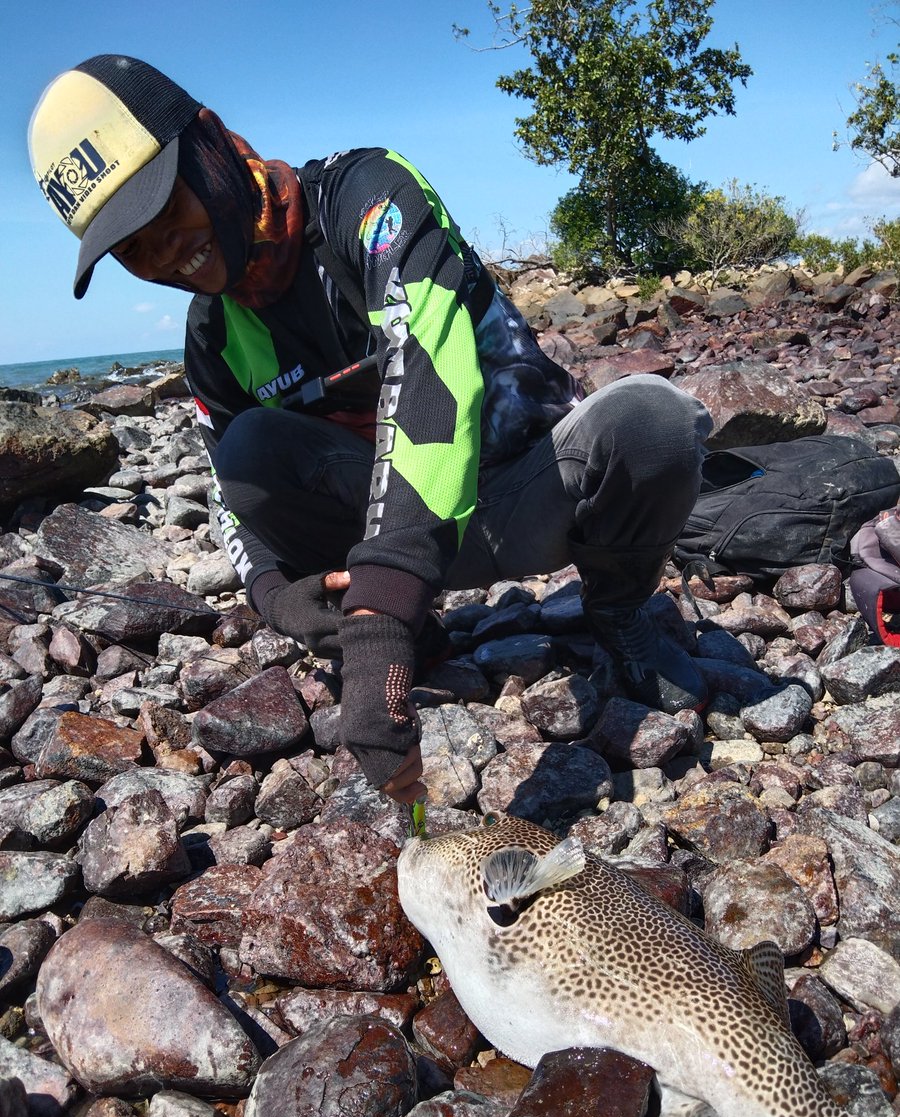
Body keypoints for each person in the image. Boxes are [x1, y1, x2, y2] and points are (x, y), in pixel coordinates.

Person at [29, 54, 714, 806]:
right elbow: (228, 488)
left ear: (211, 137)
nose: (164, 251)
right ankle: (417, 645)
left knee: (654, 418)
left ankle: (616, 606)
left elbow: (431, 371)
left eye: (164, 208)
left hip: (531, 493)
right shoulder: (211, 339)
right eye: (131, 246)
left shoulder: (368, 197)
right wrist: (273, 594)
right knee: (251, 449)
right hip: (391, 550)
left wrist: (379, 609)